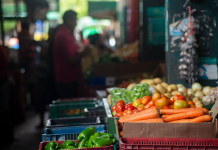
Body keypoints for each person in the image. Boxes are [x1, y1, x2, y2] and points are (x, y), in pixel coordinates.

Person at [52, 10, 91, 99]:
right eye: (75, 21)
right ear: (69, 20)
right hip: (66, 79)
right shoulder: (63, 35)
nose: (76, 23)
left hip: (69, 78)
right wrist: (83, 53)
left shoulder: (66, 34)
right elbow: (71, 60)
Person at [18, 22, 36, 108]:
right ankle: (31, 103)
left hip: (27, 61)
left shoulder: (23, 35)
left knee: (29, 82)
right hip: (28, 61)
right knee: (30, 82)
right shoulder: (25, 35)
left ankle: (31, 102)